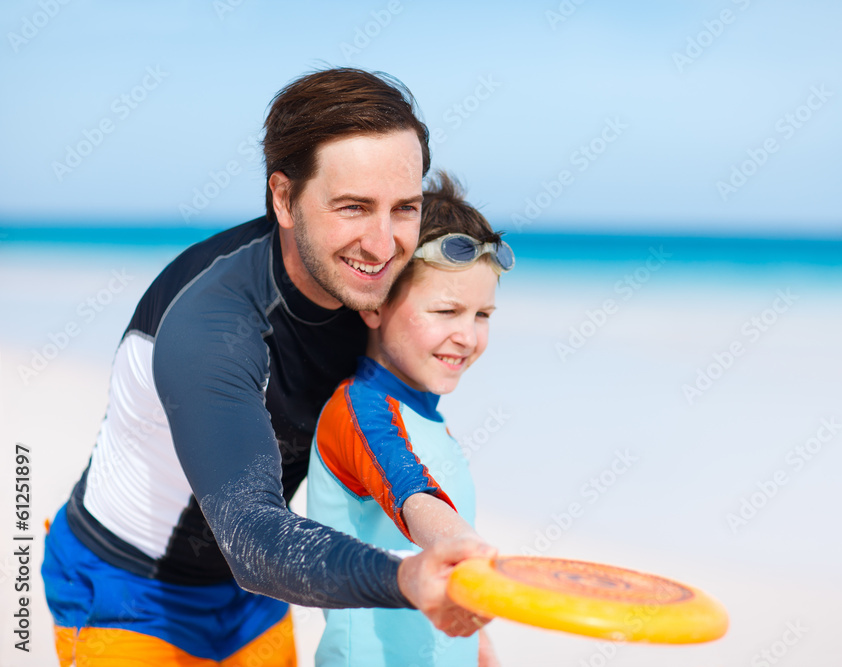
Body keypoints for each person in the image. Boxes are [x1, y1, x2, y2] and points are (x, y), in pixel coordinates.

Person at [40, 68, 495, 666]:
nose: (383, 245)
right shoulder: (211, 325)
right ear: (284, 197)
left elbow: (387, 440)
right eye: (353, 207)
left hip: (252, 594)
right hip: (128, 588)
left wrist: (455, 558)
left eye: (403, 208)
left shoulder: (374, 293)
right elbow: (254, 538)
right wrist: (409, 581)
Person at [307, 172, 513, 667]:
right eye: (446, 310)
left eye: (482, 314)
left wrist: (476, 646)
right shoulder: (359, 411)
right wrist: (468, 550)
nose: (467, 336)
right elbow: (409, 490)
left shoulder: (425, 418)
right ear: (375, 305)